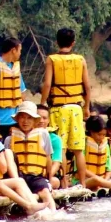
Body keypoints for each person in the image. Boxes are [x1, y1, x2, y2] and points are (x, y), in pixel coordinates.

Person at [40, 28, 90, 196]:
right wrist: (87, 106)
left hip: (58, 108)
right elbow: (87, 86)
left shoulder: (52, 59)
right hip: (76, 107)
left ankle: (65, 184)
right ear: (73, 42)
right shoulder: (80, 59)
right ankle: (82, 184)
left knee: (60, 147)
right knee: (78, 149)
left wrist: (42, 104)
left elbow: (47, 84)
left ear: (57, 42)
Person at [4, 102, 58, 213]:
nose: (25, 121)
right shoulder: (9, 139)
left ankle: (53, 213)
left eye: (29, 118)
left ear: (34, 120)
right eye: (22, 117)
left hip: (36, 176)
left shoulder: (43, 134)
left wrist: (48, 176)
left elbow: (48, 158)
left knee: (45, 192)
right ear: (18, 119)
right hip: (19, 176)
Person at [76, 116, 111, 192]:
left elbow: (109, 169)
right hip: (86, 181)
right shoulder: (82, 145)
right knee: (95, 179)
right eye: (99, 134)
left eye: (103, 135)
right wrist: (100, 180)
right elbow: (81, 169)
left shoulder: (105, 146)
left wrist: (105, 181)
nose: (102, 137)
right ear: (91, 131)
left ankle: (104, 187)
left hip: (103, 181)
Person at [37, 104, 63, 189]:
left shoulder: (55, 139)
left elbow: (56, 162)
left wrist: (47, 176)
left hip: (45, 174)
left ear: (48, 121)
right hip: (28, 174)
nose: (41, 121)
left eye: (44, 118)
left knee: (55, 182)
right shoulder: (25, 135)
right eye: (38, 117)